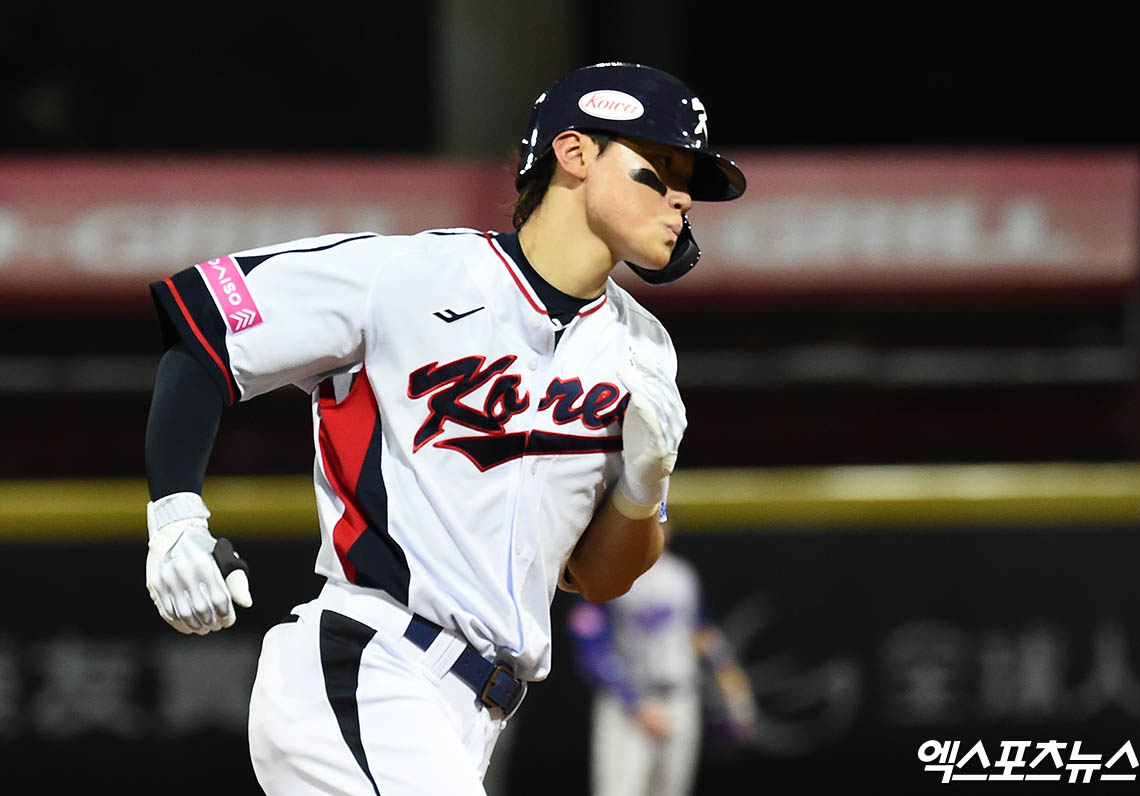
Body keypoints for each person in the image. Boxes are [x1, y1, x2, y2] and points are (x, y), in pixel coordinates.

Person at [141, 61, 746, 795]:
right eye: (661, 166)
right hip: (369, 662)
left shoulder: (642, 348)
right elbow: (208, 328)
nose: (683, 194)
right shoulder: (413, 274)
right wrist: (175, 515)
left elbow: (596, 574)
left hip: (474, 714)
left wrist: (644, 490)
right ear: (576, 153)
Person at [568, 509, 756, 796]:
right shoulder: (607, 572)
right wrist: (636, 704)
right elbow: (592, 650)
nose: (657, 529)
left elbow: (702, 632)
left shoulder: (682, 576)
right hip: (627, 706)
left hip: (679, 700)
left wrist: (729, 677)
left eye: (661, 522)